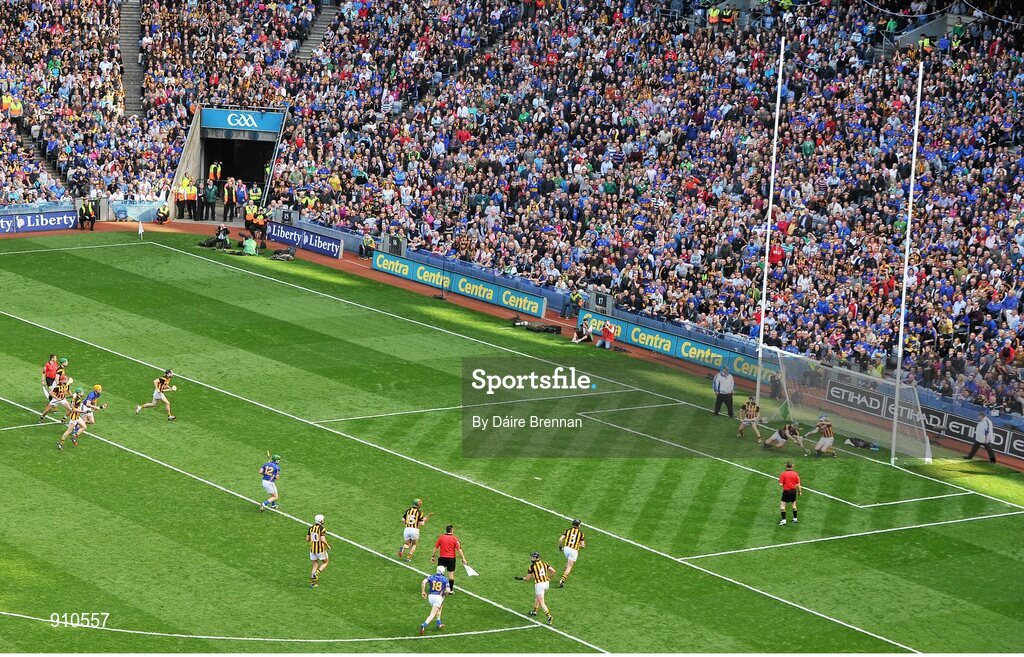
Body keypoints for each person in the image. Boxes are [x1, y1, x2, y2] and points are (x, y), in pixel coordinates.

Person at [515, 551, 555, 624]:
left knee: (542, 602)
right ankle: (535, 611)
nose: (531, 558)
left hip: (539, 585)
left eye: (532, 557)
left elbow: (527, 579)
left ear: (535, 558)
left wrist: (521, 578)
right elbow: (553, 571)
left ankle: (549, 616)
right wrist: (549, 578)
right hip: (546, 584)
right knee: (538, 597)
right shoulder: (544, 563)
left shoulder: (531, 566)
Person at [430, 525, 469, 592]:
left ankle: (438, 587)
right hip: (451, 558)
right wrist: (463, 558)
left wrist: (432, 556)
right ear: (452, 530)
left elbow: (435, 547)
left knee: (440, 573)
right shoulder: (454, 539)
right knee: (451, 574)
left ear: (446, 530)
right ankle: (450, 590)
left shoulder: (441, 537)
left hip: (442, 558)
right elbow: (459, 549)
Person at [419, 566, 449, 635]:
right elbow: (447, 590)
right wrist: (445, 593)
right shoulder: (445, 579)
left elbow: (423, 582)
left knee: (439, 608)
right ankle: (423, 625)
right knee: (432, 614)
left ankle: (439, 623)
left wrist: (423, 591)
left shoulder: (431, 577)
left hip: (431, 597)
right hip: (438, 597)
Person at [557, 519, 585, 587]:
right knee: (570, 566)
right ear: (579, 525)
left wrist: (560, 548)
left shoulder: (567, 530)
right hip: (573, 551)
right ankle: (562, 580)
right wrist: (578, 546)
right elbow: (583, 546)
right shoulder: (581, 533)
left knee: (568, 562)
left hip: (566, 549)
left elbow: (560, 540)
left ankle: (565, 568)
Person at [308, 514, 331, 588]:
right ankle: (317, 573)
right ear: (321, 520)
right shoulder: (322, 529)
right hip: (320, 550)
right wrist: (327, 546)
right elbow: (323, 539)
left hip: (312, 550)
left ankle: (313, 583)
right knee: (325, 562)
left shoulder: (311, 528)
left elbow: (307, 539)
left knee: (315, 564)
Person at [779, 461, 802, 525]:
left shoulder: (783, 474)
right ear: (792, 466)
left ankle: (783, 521)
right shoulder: (796, 474)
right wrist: (799, 492)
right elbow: (798, 484)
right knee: (794, 505)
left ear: (786, 466)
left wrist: (785, 486)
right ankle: (795, 519)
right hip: (793, 491)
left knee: (782, 505)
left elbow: (781, 484)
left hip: (786, 491)